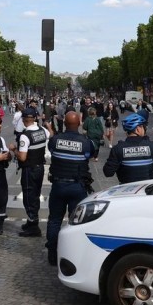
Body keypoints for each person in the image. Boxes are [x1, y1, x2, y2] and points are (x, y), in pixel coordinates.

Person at [45, 111, 96, 267]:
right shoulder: (86, 143)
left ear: (65, 123)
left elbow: (51, 149)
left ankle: (52, 254)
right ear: (79, 123)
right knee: (76, 223)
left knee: (54, 220)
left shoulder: (55, 141)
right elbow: (91, 155)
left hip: (58, 186)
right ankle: (74, 255)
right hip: (77, 187)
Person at [103, 113, 153, 184]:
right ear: (138, 129)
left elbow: (108, 172)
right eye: (143, 127)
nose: (144, 129)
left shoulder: (118, 149)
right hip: (148, 190)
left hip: (127, 191)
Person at [14, 106, 49, 237]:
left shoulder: (25, 135)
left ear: (24, 119)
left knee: (29, 197)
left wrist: (13, 150)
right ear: (34, 118)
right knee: (35, 194)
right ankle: (31, 221)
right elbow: (50, 133)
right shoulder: (42, 130)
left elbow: (22, 156)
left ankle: (33, 226)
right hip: (40, 167)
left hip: (29, 169)